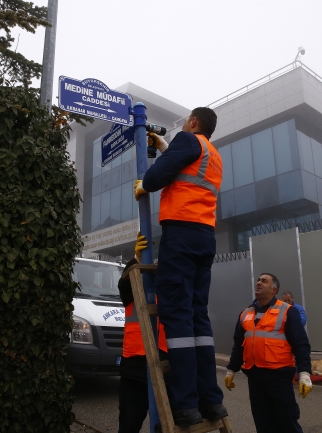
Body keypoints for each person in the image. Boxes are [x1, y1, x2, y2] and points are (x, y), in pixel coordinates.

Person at [133, 107, 225, 426]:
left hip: (182, 233)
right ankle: (211, 401)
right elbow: (182, 165)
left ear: (194, 122)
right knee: (198, 315)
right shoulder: (213, 154)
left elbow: (160, 176)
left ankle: (185, 404)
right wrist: (162, 147)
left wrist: (145, 183)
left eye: (186, 120)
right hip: (205, 236)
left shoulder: (188, 140)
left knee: (176, 313)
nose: (184, 124)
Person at [225, 273, 312, 433]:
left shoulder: (287, 311)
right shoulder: (245, 313)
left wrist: (304, 373)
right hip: (255, 379)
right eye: (258, 280)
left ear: (274, 290)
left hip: (278, 379)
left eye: (264, 281)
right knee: (263, 423)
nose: (259, 283)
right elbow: (239, 345)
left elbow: (301, 344)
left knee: (287, 422)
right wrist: (231, 369)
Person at [117, 233, 168, 433]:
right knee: (129, 423)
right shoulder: (135, 287)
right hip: (135, 367)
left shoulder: (170, 291)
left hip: (164, 365)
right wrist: (136, 260)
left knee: (163, 425)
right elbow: (124, 283)